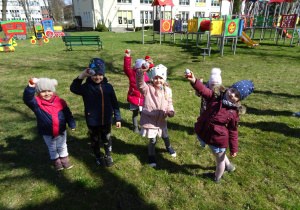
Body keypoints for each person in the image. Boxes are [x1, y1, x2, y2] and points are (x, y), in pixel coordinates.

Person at [186, 71, 254, 184]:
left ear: (238, 100)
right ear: (229, 88)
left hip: (218, 139)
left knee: (220, 160)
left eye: (237, 95)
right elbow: (203, 90)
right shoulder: (215, 97)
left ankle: (217, 178)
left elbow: (233, 130)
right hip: (209, 134)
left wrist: (234, 149)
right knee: (218, 154)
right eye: (233, 90)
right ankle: (229, 166)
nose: (232, 95)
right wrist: (194, 80)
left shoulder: (233, 113)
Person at [70, 58, 121, 167]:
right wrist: (82, 75)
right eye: (94, 74)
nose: (97, 77)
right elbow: (73, 88)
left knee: (107, 138)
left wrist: (118, 118)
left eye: (100, 74)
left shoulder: (108, 87)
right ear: (90, 74)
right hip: (92, 120)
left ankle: (108, 155)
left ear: (103, 74)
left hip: (107, 119)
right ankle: (98, 156)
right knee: (95, 139)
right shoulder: (86, 87)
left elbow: (114, 102)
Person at [23, 78, 76, 171]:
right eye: (43, 91)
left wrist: (71, 123)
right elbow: (28, 99)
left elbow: (67, 113)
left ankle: (64, 159)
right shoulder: (37, 103)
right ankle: (56, 160)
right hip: (47, 131)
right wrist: (30, 88)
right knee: (52, 147)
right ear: (38, 92)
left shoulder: (60, 101)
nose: (47, 94)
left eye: (49, 91)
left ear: (53, 90)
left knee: (62, 145)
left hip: (61, 130)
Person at [136, 63, 176, 167]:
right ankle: (151, 156)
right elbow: (140, 84)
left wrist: (170, 111)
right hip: (151, 119)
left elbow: (169, 103)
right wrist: (141, 72)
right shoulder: (147, 89)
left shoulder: (167, 91)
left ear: (164, 79)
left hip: (162, 119)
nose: (158, 80)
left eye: (160, 78)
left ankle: (169, 147)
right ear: (152, 78)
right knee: (152, 140)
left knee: (165, 136)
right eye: (156, 78)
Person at [123, 50, 150, 134]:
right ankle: (135, 127)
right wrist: (127, 57)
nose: (139, 71)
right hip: (134, 97)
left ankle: (143, 126)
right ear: (135, 68)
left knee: (143, 113)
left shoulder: (146, 76)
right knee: (135, 113)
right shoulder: (131, 74)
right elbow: (126, 68)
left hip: (143, 98)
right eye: (138, 68)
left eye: (141, 69)